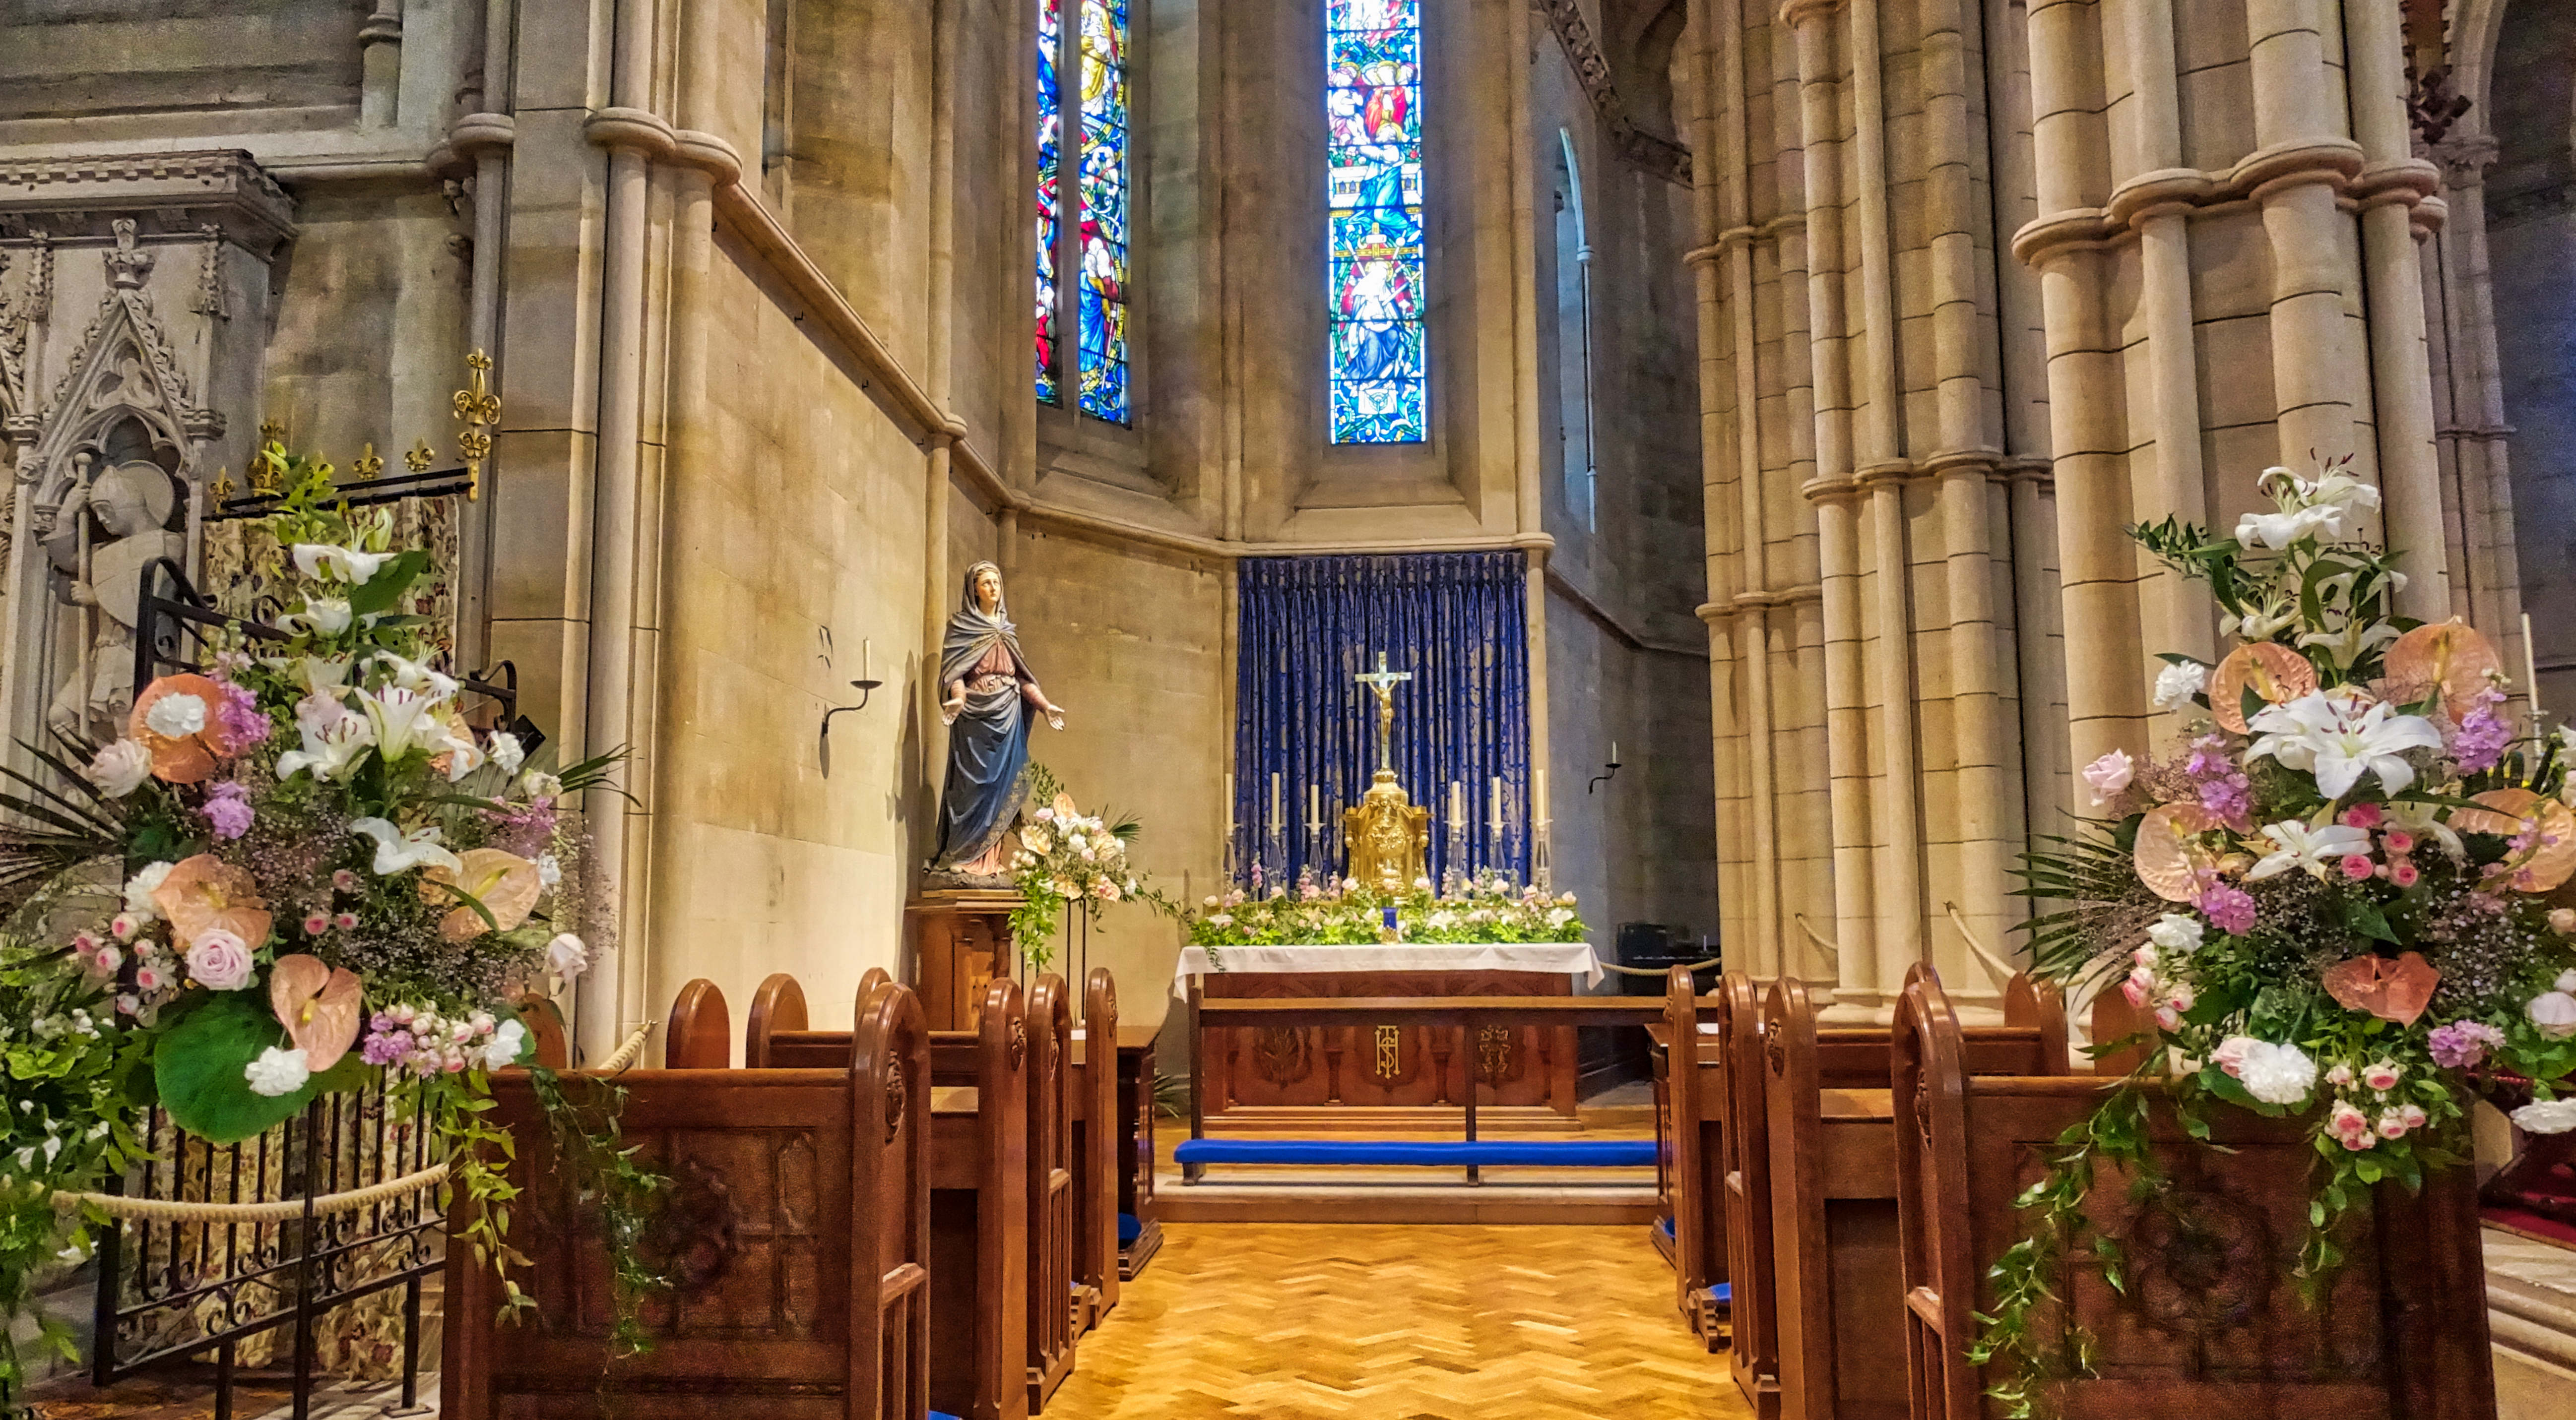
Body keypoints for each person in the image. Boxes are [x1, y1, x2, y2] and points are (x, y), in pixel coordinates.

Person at [930, 562, 1068, 880]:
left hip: (1007, 716)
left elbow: (1022, 679)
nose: (994, 588)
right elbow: (957, 673)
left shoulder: (1008, 633)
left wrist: (1046, 707)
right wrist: (959, 699)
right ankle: (963, 853)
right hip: (975, 720)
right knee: (972, 786)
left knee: (1000, 787)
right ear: (974, 589)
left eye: (997, 582)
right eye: (987, 583)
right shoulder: (963, 627)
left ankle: (988, 861)